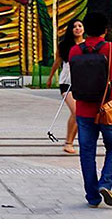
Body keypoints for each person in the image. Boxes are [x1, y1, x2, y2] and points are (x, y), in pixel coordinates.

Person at [69, 8, 112, 208]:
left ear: (86, 30)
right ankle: (105, 183)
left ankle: (92, 197)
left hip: (83, 109)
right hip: (109, 110)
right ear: (105, 30)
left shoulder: (75, 51)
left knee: (87, 153)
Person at [47, 18, 85, 154]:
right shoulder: (64, 45)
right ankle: (68, 143)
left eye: (80, 26)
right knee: (76, 111)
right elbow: (57, 62)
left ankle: (70, 142)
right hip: (66, 83)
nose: (77, 28)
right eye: (75, 26)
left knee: (80, 114)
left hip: (82, 83)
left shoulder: (88, 45)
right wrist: (50, 77)